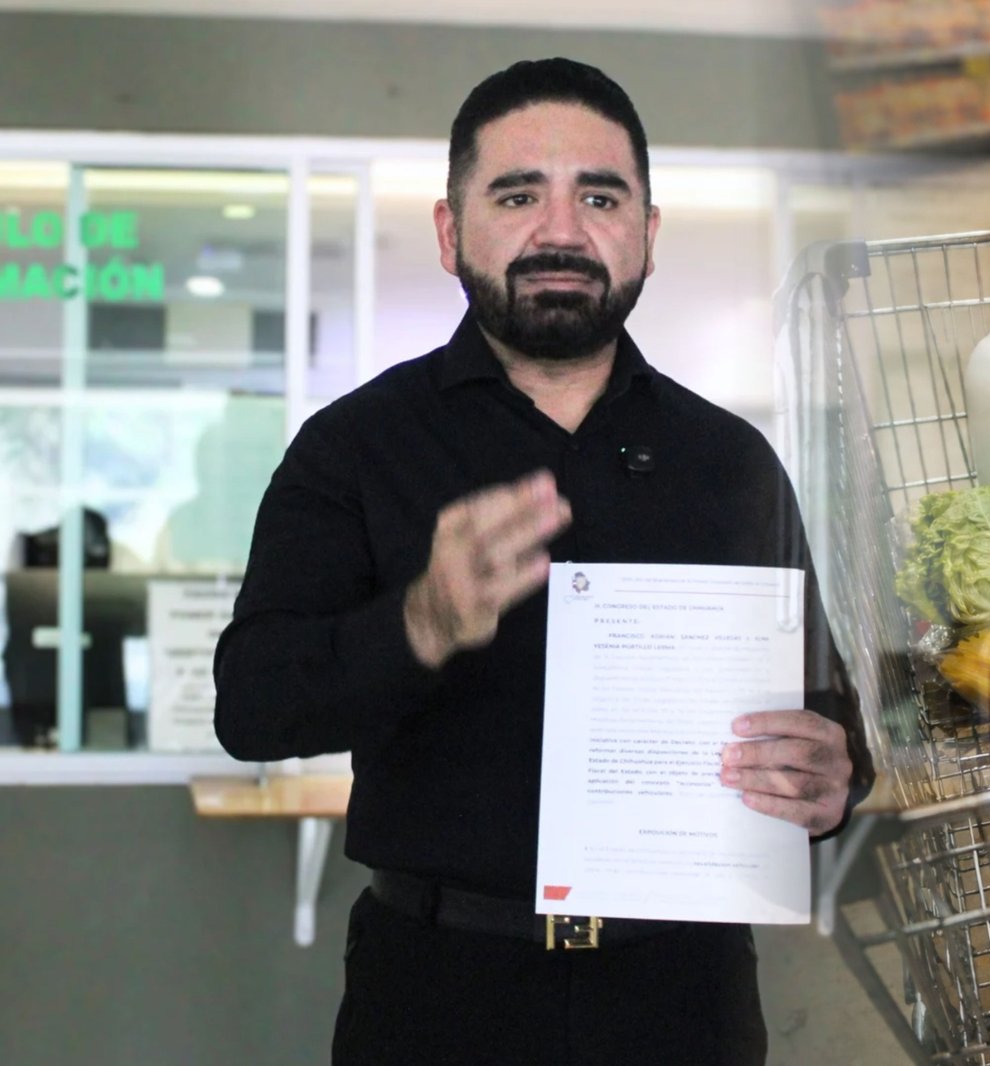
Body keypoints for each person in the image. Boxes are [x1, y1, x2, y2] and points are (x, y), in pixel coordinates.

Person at [212, 58, 874, 1065]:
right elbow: (252, 708)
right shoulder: (353, 447)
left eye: (599, 197)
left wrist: (832, 781)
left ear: (647, 234)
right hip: (435, 999)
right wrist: (421, 622)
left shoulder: (731, 462)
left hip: (684, 1002)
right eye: (518, 195)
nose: (561, 230)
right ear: (450, 231)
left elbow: (827, 726)